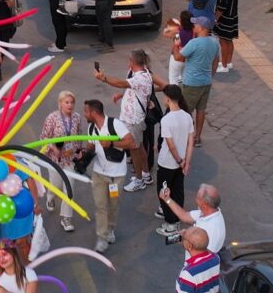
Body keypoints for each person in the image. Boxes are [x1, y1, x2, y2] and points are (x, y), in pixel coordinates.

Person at [94, 49, 160, 192]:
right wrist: (122, 96)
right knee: (140, 146)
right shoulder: (145, 73)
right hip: (135, 118)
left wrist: (104, 78)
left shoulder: (140, 78)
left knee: (134, 148)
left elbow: (121, 83)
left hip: (133, 120)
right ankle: (146, 174)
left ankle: (139, 179)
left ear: (132, 62)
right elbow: (131, 88)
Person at [83, 98, 135, 253]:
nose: (84, 114)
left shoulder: (115, 125)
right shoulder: (91, 128)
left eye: (86, 111)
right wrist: (87, 150)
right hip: (99, 173)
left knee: (113, 205)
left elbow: (131, 143)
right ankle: (102, 236)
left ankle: (110, 228)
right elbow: (92, 147)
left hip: (116, 175)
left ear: (93, 112)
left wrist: (112, 143)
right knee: (100, 206)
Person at [38, 90, 83, 232]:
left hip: (70, 160)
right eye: (67, 102)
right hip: (55, 160)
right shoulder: (52, 118)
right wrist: (53, 147)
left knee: (69, 188)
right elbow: (43, 137)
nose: (70, 105)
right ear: (60, 104)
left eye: (72, 102)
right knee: (55, 185)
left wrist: (80, 150)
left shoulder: (77, 117)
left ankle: (66, 218)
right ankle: (50, 197)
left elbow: (79, 134)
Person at [154, 85, 195, 234]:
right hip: (181, 163)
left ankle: (171, 223)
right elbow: (191, 142)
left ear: (168, 99)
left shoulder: (167, 120)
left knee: (163, 192)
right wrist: (186, 162)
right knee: (178, 191)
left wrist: (179, 160)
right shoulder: (187, 116)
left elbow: (170, 146)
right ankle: (177, 219)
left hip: (167, 163)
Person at [173, 16, 218, 147]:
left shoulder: (194, 43)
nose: (194, 26)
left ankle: (186, 138)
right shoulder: (214, 42)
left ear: (202, 28)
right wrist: (211, 73)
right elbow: (216, 60)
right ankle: (197, 137)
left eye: (196, 25)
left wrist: (175, 45)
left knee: (186, 111)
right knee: (201, 109)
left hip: (192, 83)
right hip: (206, 82)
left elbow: (178, 57)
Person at [157, 183, 226, 254]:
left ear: (205, 204)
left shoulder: (213, 230)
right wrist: (167, 199)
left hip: (194, 264)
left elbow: (205, 257)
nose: (195, 200)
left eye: (198, 198)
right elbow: (185, 216)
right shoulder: (208, 212)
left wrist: (186, 239)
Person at [171, 227, 220, 293]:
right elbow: (204, 249)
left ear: (189, 246)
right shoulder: (216, 258)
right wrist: (186, 239)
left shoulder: (189, 273)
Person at [213, 0, 239, 73]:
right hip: (233, 19)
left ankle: (224, 66)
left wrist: (215, 18)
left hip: (225, 20)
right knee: (229, 40)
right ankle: (229, 62)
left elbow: (221, 8)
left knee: (223, 41)